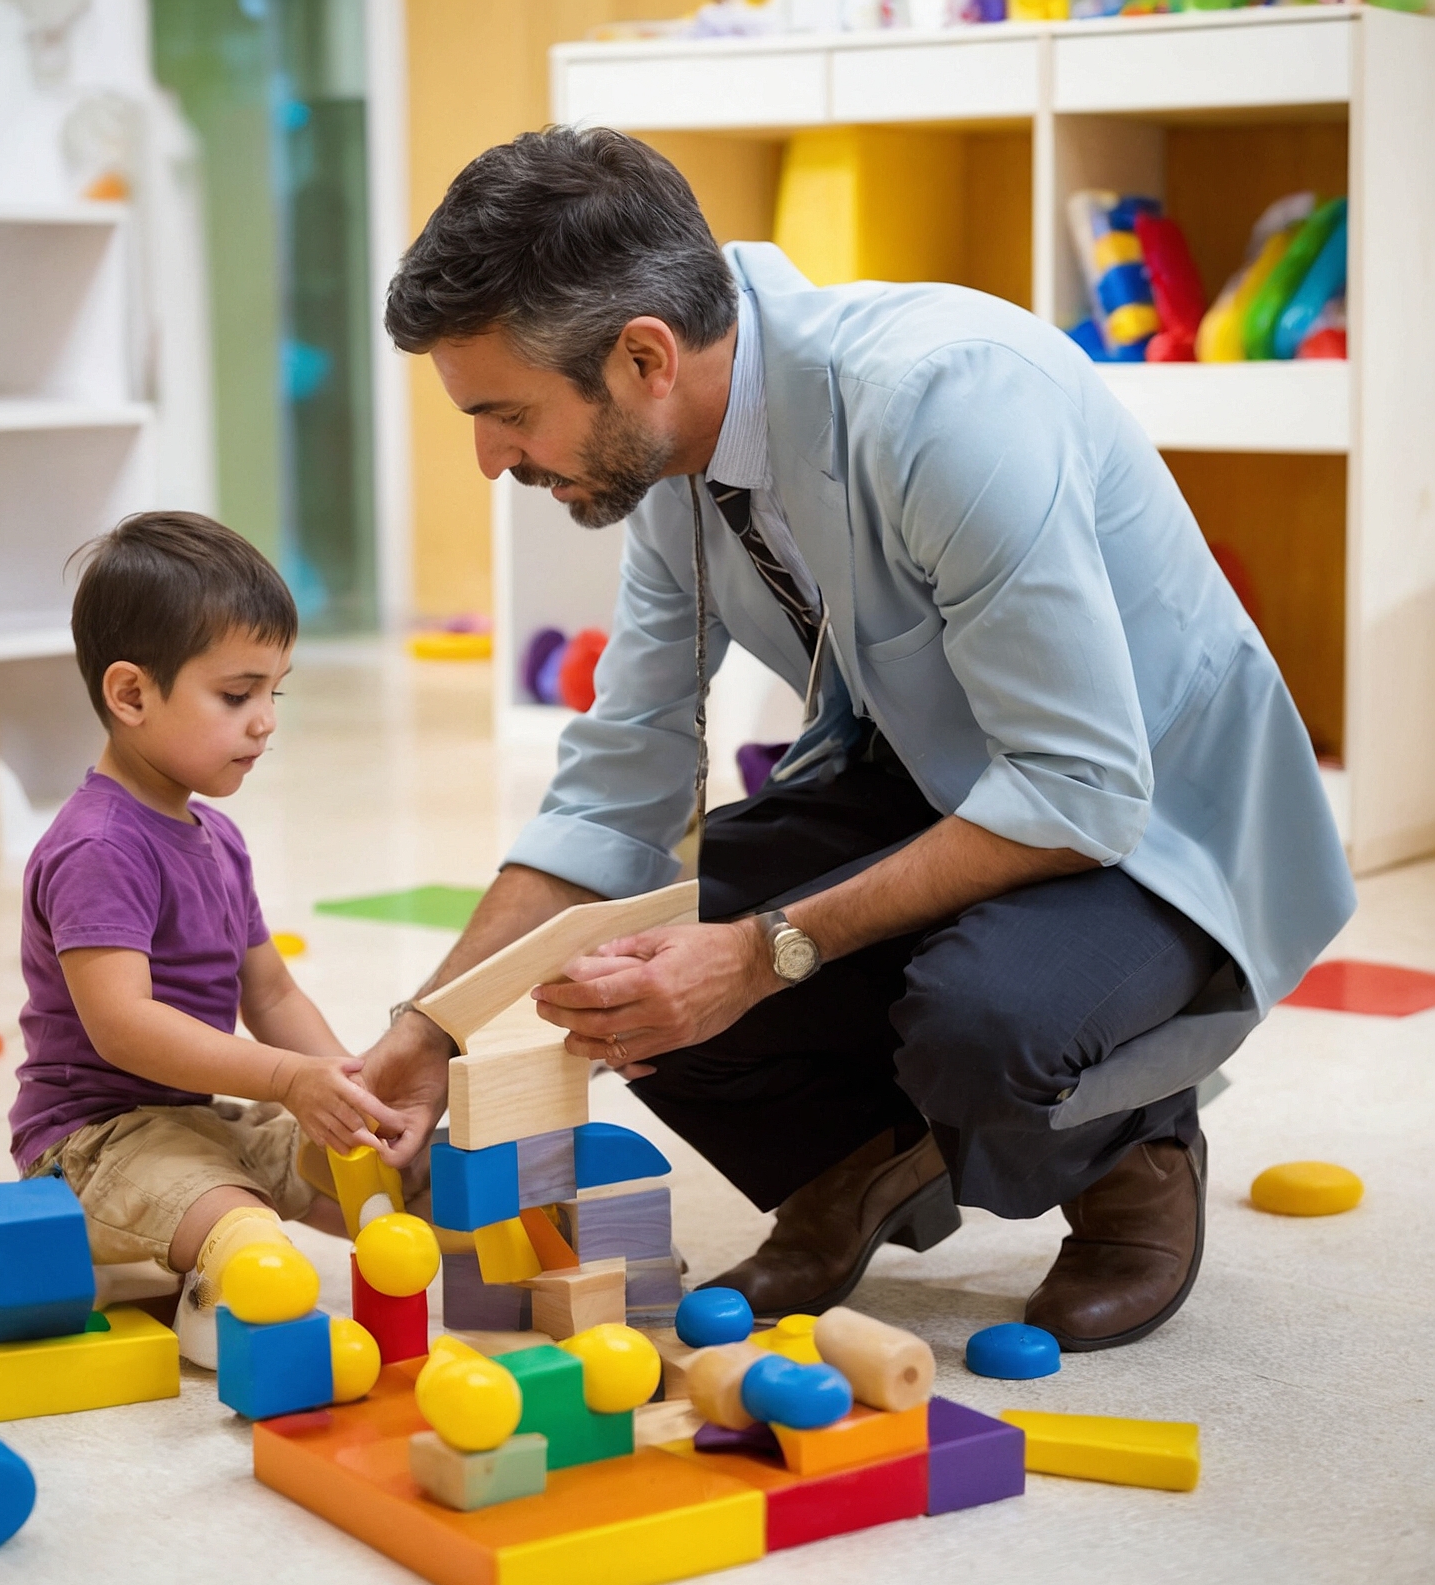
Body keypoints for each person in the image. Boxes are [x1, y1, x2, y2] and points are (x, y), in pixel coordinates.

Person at [363, 126, 1356, 1352]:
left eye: (506, 414)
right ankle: (866, 1163)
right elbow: (615, 792)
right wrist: (430, 1028)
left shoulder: (947, 402)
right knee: (615, 969)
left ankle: (1133, 1149)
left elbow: (1077, 786)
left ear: (641, 356)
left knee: (982, 1026)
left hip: (1150, 818)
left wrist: (763, 950)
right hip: (934, 777)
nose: (488, 459)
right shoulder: (676, 464)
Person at [9, 513, 409, 1366]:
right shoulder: (98, 846)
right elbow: (123, 1025)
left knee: (395, 1178)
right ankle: (219, 1283)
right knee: (250, 1238)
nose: (265, 720)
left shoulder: (216, 837)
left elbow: (268, 992)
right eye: (237, 695)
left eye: (276, 692)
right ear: (131, 695)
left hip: (200, 1118)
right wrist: (283, 1077)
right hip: (96, 1142)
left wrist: (350, 1088)